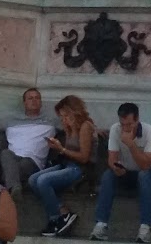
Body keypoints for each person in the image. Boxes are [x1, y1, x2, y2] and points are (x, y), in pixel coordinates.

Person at [89, 102, 151, 243]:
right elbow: (112, 159)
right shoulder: (115, 129)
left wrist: (131, 145)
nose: (126, 128)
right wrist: (116, 169)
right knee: (108, 175)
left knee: (144, 175)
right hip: (127, 173)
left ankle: (145, 228)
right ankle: (101, 225)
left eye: (129, 124)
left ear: (137, 119)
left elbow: (146, 165)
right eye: (123, 124)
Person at [30, 95, 95, 237]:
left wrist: (62, 149)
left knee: (43, 181)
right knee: (33, 179)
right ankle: (63, 211)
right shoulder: (69, 127)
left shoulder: (85, 126)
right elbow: (68, 152)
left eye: (66, 115)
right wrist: (58, 147)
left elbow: (84, 157)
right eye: (61, 116)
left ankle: (55, 219)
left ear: (74, 112)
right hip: (67, 164)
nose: (63, 119)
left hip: (80, 169)